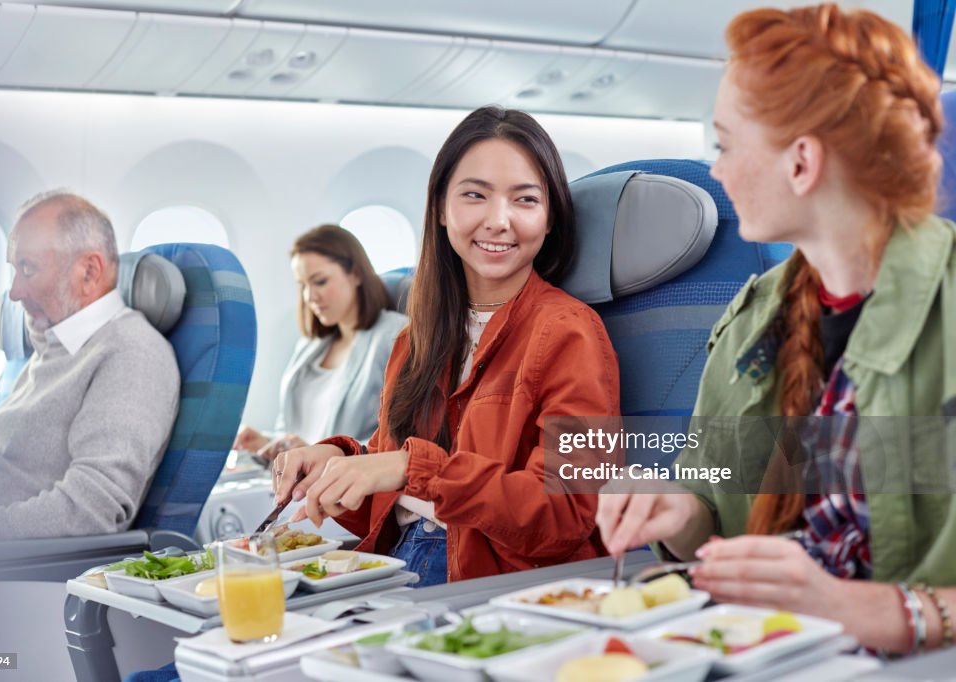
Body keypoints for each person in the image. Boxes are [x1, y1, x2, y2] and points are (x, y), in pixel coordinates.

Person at [596, 3, 955, 654]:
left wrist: (884, 611)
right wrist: (679, 512)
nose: (717, 171)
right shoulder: (754, 315)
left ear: (801, 163)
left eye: (726, 144)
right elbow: (714, 503)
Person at [272, 106, 621, 586]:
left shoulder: (570, 332)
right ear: (440, 207)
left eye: (524, 200)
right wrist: (340, 464)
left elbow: (565, 516)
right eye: (475, 195)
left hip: (491, 584)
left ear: (549, 217)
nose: (499, 221)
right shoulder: (415, 339)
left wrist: (409, 469)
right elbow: (398, 490)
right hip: (392, 565)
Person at [0, 191, 180, 543]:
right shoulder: (53, 343)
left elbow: (93, 508)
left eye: (28, 269)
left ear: (89, 271)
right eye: (13, 269)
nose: (14, 292)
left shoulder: (132, 353)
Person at [233, 224, 407, 460]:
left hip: (345, 484)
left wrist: (324, 454)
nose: (310, 297)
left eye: (320, 281)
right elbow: (298, 434)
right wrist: (267, 442)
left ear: (355, 274)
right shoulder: (310, 345)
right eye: (303, 285)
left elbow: (399, 441)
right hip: (297, 480)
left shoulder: (395, 335)